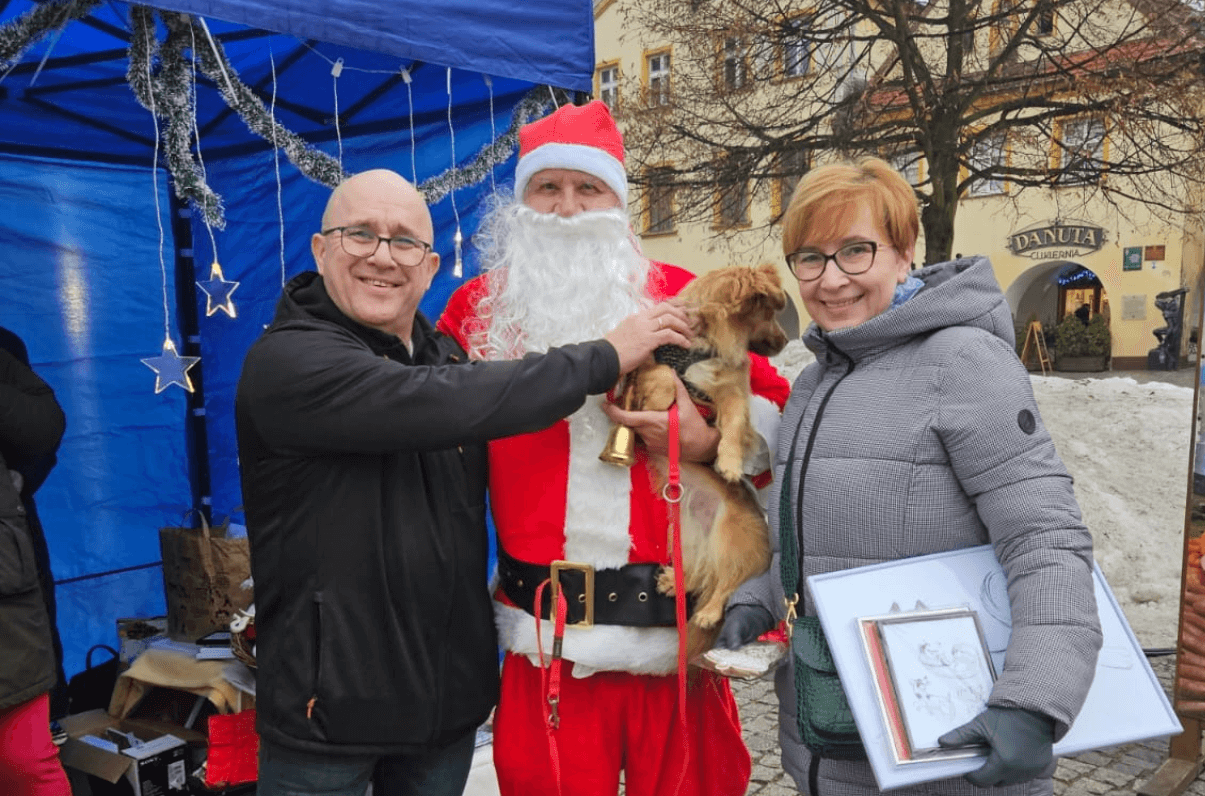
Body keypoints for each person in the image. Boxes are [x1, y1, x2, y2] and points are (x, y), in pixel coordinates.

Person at [235, 168, 695, 796]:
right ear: (321, 250)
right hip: (328, 723)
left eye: (404, 242)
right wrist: (606, 354)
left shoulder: (447, 354)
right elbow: (441, 402)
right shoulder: (290, 363)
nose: (382, 256)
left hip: (443, 718)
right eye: (360, 235)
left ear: (427, 267)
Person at [716, 158, 1102, 796]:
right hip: (832, 741)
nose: (831, 279)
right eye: (809, 258)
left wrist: (1036, 701)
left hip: (949, 750)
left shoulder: (963, 361)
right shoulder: (815, 381)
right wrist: (756, 602)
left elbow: (1045, 537)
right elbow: (804, 536)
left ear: (905, 254)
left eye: (856, 252)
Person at [437, 100, 790, 796]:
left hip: (676, 647)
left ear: (616, 201)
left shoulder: (682, 299)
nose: (567, 207)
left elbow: (778, 417)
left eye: (587, 188)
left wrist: (709, 438)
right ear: (521, 201)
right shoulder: (476, 313)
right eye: (548, 187)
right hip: (546, 646)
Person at [0, 332, 71, 796]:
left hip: (9, 582)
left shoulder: (5, 348)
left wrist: (18, 482)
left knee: (25, 760)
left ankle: (56, 713)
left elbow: (42, 430)